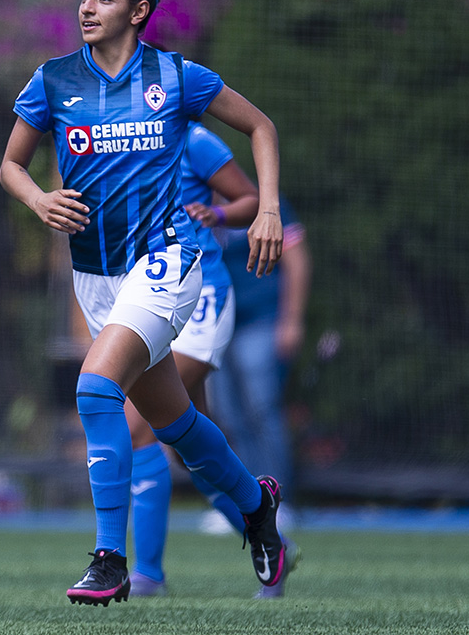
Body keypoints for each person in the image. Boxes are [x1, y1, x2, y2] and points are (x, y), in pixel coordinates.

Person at [0, 0, 290, 606]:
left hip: (167, 262)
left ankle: (111, 559)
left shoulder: (176, 76)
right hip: (95, 278)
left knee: (96, 389)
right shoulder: (52, 81)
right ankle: (255, 506)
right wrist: (38, 198)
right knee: (175, 424)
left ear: (140, 9)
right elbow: (9, 165)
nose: (87, 8)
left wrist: (265, 209)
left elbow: (262, 127)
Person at [123, 120, 299, 599]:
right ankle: (271, 539)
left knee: (139, 425)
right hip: (150, 299)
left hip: (201, 298)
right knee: (189, 448)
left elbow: (250, 200)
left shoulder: (192, 138)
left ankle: (148, 575)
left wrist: (219, 216)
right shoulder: (115, 134)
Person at [207, 196, 311, 548]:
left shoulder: (265, 204)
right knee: (230, 417)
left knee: (262, 411)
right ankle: (249, 503)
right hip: (219, 324)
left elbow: (297, 260)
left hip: (262, 321)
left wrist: (291, 319)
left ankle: (280, 502)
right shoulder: (196, 206)